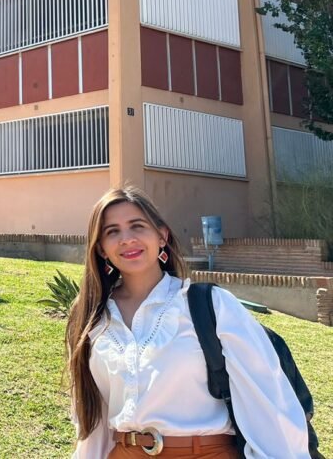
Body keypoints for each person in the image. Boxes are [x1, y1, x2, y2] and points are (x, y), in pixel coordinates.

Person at [66, 187, 310, 458]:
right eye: (112, 231)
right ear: (101, 248)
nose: (127, 239)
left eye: (137, 226)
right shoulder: (93, 319)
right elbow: (92, 423)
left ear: (162, 236)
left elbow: (270, 403)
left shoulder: (211, 305)